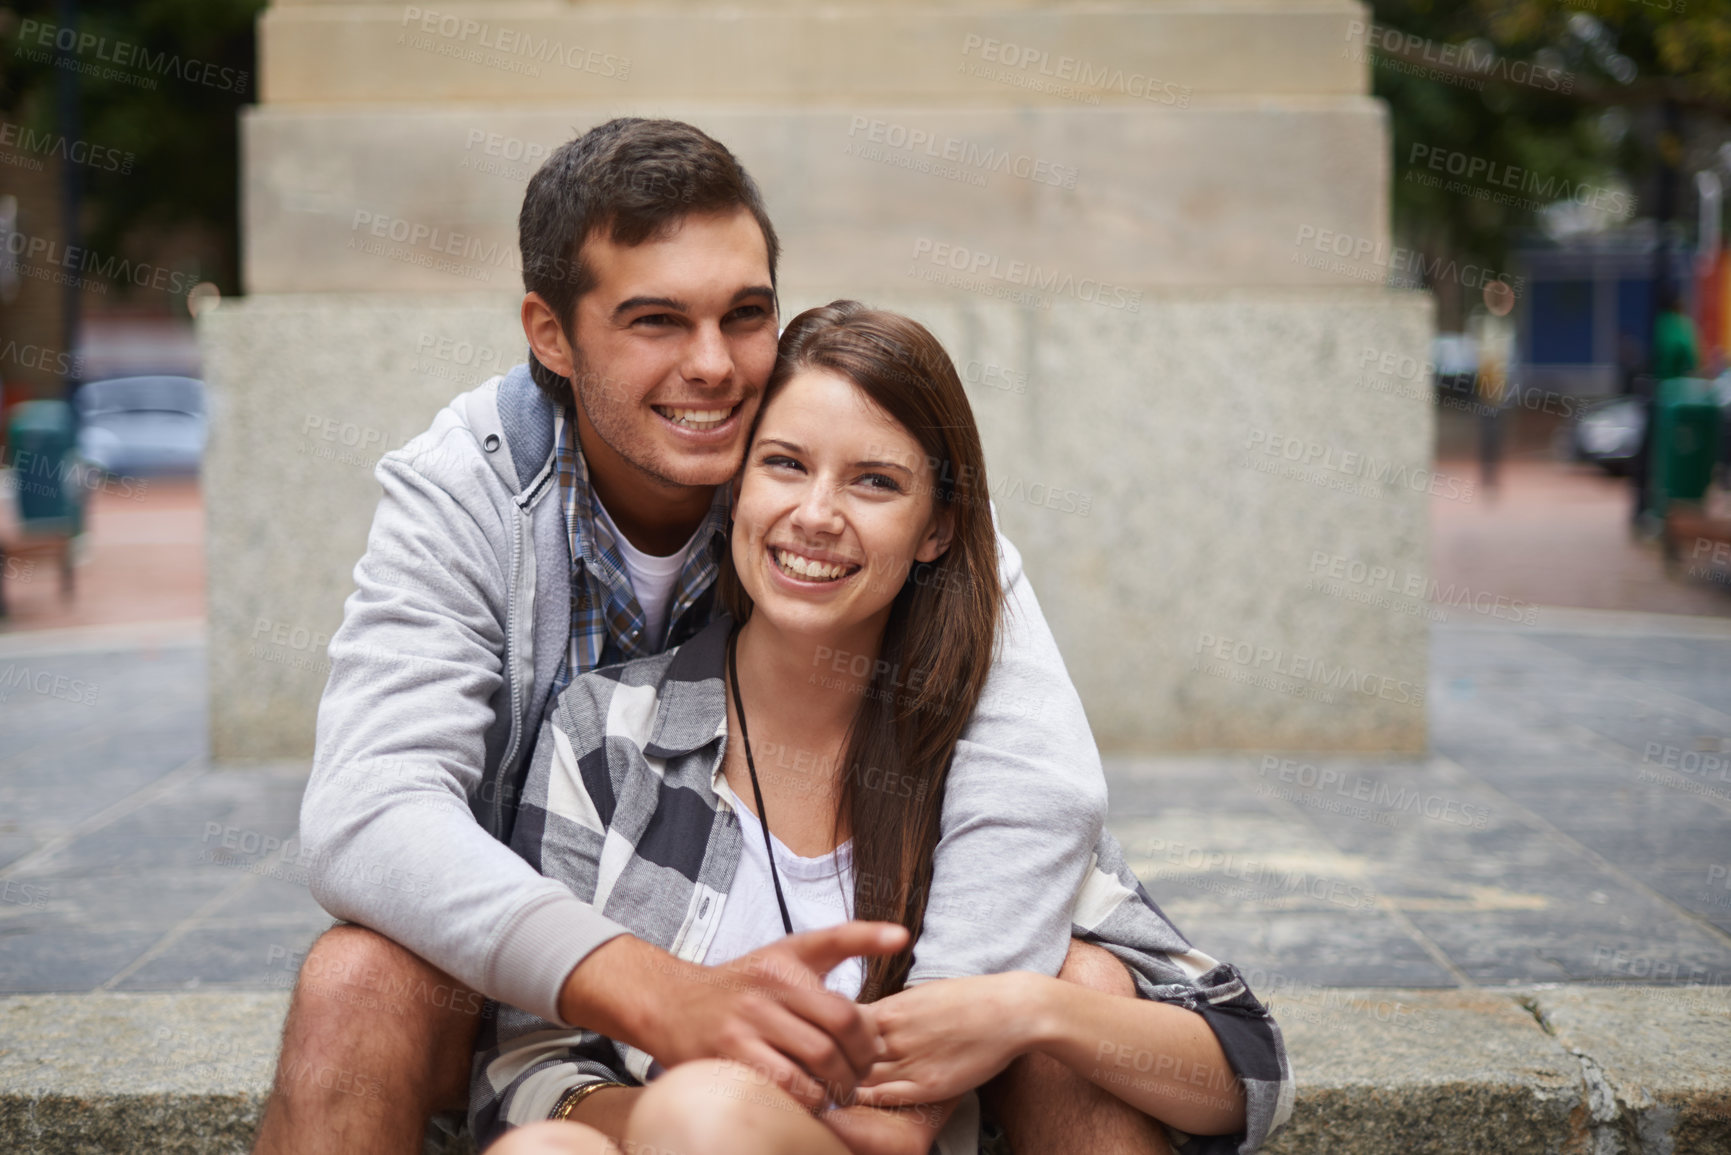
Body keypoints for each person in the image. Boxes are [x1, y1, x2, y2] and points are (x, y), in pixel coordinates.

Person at [256, 118, 1128, 1154]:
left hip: (835, 1044)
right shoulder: (464, 490)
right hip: (516, 996)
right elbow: (369, 811)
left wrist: (918, 1071)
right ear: (549, 332)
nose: (714, 366)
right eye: (657, 320)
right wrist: (658, 994)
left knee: (1078, 989)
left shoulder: (817, 476)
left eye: (745, 314)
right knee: (354, 979)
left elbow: (1040, 778)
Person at [472, 302, 1291, 1155]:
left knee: (1086, 975)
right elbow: (527, 1060)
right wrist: (718, 1116)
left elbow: (1248, 1069)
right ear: (735, 486)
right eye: (784, 464)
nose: (817, 514)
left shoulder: (982, 766)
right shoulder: (608, 735)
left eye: (875, 482)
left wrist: (1022, 1008)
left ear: (935, 528)